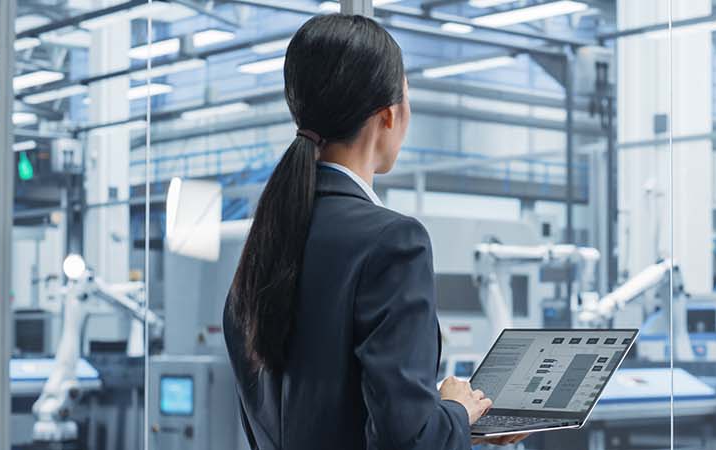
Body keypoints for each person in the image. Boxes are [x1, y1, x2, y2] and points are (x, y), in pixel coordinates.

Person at [222, 14, 527, 449]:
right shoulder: (394, 243)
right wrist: (456, 411)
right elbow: (408, 441)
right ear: (389, 116)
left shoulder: (266, 242)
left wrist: (454, 425)